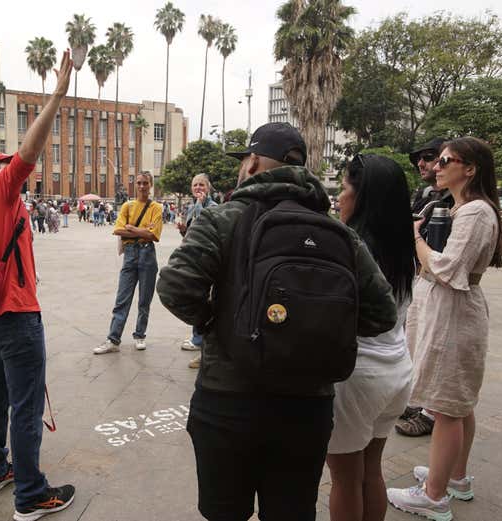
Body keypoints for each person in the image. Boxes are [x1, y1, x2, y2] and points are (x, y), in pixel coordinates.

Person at [156, 122, 397, 521]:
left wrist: (221, 323)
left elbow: (175, 287)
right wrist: (317, 330)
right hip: (307, 407)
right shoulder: (338, 233)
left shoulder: (222, 219)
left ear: (251, 164)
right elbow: (382, 313)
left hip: (227, 400)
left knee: (224, 513)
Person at [0, 50, 74, 521]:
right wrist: (56, 96)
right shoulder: (1, 193)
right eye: (5, 166)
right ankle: (31, 495)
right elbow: (29, 152)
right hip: (16, 316)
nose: (16, 169)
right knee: (25, 403)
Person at [387, 137, 502, 521]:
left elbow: (446, 269)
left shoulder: (473, 212)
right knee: (457, 403)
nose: (436, 166)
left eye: (444, 160)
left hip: (453, 314)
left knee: (446, 407)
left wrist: (416, 238)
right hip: (452, 310)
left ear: (469, 169)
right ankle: (455, 477)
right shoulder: (468, 209)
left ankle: (434, 495)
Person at [326, 154, 416, 521]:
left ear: (363, 197)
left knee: (345, 479)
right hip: (396, 369)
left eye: (344, 189)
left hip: (358, 377)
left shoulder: (350, 248)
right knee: (371, 470)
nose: (338, 198)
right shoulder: (404, 248)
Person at [93, 173, 164, 354]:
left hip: (148, 254)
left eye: (145, 183)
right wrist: (142, 231)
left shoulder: (156, 207)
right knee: (122, 298)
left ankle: (140, 335)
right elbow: (118, 230)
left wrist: (131, 229)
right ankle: (113, 339)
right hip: (131, 254)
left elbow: (154, 235)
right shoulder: (127, 206)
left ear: (151, 185)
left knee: (144, 299)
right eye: (139, 183)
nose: (141, 186)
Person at [176, 173, 218, 369]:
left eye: (202, 185)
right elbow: (192, 234)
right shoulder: (192, 207)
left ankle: (202, 344)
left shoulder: (213, 208)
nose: (198, 188)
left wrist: (200, 207)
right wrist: (184, 229)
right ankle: (197, 338)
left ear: (208, 188)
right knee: (196, 299)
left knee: (207, 302)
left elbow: (207, 228)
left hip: (208, 262)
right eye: (195, 185)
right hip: (194, 261)